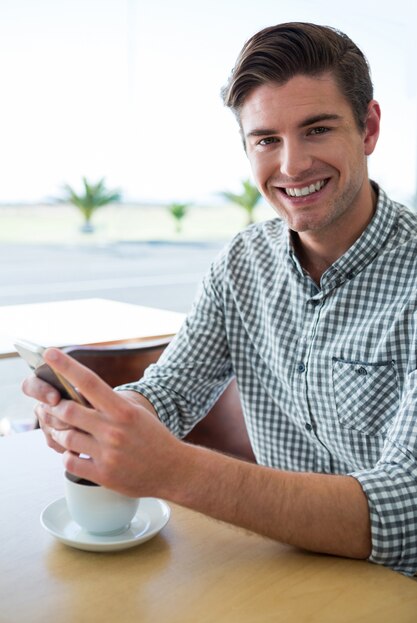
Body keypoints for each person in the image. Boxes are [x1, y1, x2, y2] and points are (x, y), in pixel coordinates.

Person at [23, 22, 417, 577]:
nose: (292, 165)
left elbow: (407, 510)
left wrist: (173, 470)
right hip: (284, 572)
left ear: (369, 127)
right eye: (266, 140)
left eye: (318, 129)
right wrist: (109, 419)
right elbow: (170, 391)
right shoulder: (242, 263)